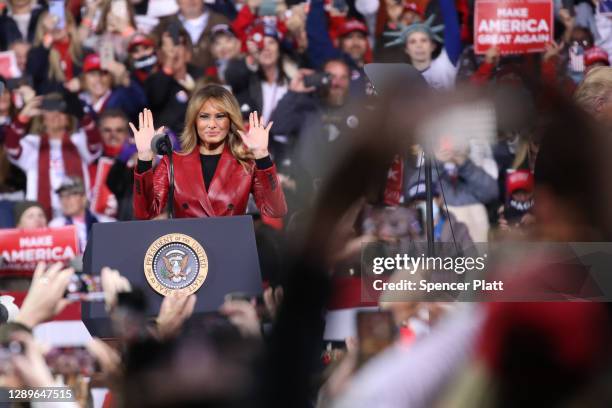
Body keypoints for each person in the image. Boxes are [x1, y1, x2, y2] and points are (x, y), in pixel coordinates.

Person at [131, 84, 287, 219]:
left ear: (230, 121)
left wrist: (262, 155)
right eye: (204, 117)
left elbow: (276, 210)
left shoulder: (247, 165)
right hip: (190, 251)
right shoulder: (172, 163)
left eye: (220, 116)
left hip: (231, 249)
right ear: (194, 121)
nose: (212, 124)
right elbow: (145, 213)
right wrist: (144, 158)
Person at [152, 0, 231, 70]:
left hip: (215, 82)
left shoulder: (222, 22)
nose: (191, 1)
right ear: (177, 1)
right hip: (177, 83)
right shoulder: (163, 26)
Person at [49, 177, 113, 252]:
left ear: (84, 198)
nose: (65, 200)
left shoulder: (106, 223)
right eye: (61, 196)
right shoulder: (55, 226)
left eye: (70, 195)